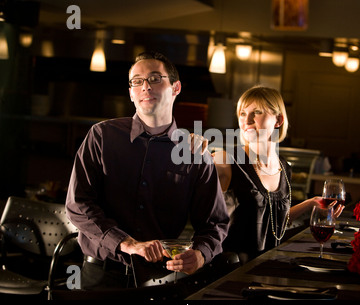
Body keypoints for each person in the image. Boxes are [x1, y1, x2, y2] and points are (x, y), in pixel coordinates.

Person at [65, 51, 229, 290]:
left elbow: (215, 223)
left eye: (154, 79)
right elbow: (78, 205)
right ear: (131, 92)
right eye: (137, 81)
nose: (145, 87)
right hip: (100, 275)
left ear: (176, 88)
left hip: (159, 280)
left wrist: (201, 254)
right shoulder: (102, 136)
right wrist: (127, 243)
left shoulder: (194, 151)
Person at [212, 86, 344, 264]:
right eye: (243, 113)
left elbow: (275, 221)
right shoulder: (225, 160)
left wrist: (311, 203)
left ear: (278, 120)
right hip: (231, 268)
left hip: (268, 265)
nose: (247, 120)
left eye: (256, 112)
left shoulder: (284, 167)